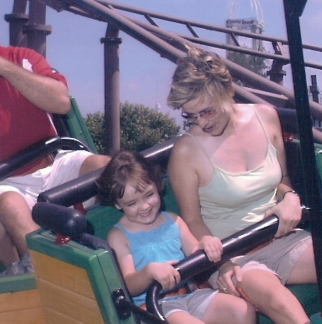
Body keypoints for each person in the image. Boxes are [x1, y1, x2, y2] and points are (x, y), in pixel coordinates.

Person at [166, 45, 322, 324]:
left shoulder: (266, 118)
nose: (201, 122)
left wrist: (290, 199)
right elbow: (192, 222)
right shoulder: (186, 152)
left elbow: (282, 182)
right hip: (233, 257)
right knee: (284, 305)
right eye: (191, 116)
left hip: (283, 240)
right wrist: (221, 263)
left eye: (208, 112)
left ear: (226, 91)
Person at [96, 151, 256, 324]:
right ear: (117, 204)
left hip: (190, 295)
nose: (144, 206)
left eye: (149, 195)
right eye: (132, 203)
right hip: (154, 306)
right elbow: (129, 285)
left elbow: (196, 254)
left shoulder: (173, 220)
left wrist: (206, 244)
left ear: (157, 186)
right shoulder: (119, 236)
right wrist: (150, 272)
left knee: (242, 310)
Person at [0, 45, 110, 276]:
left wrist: (6, 68)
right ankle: (51, 276)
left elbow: (61, 102)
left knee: (109, 170)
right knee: (10, 205)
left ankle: (127, 247)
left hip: (55, 163)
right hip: (9, 183)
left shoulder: (20, 58)